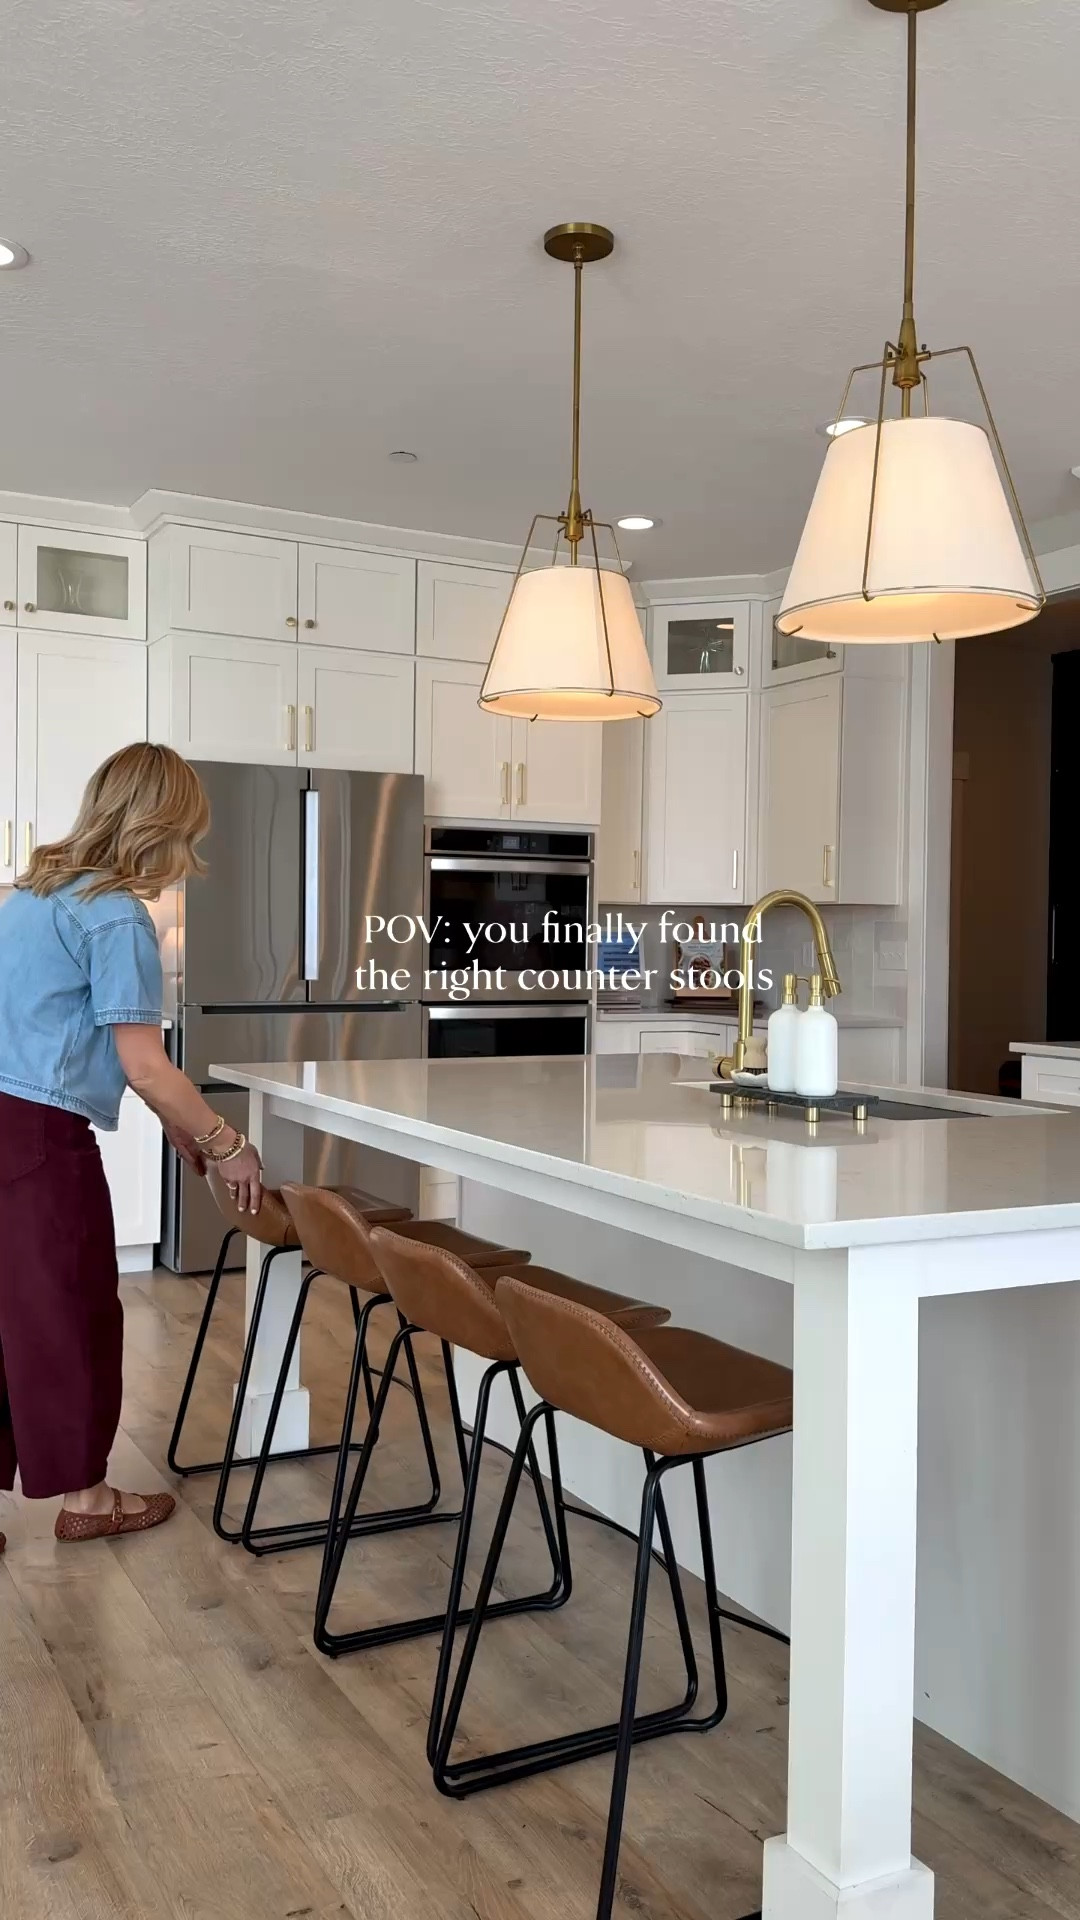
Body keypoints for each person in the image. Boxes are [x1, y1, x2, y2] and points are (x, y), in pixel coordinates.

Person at [0, 742, 262, 1550]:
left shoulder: (30, 896)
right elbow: (144, 1064)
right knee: (72, 1312)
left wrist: (175, 1122)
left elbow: (65, 1034)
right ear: (163, 827)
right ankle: (90, 1496)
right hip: (41, 1140)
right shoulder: (115, 914)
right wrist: (226, 1141)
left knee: (6, 1314)